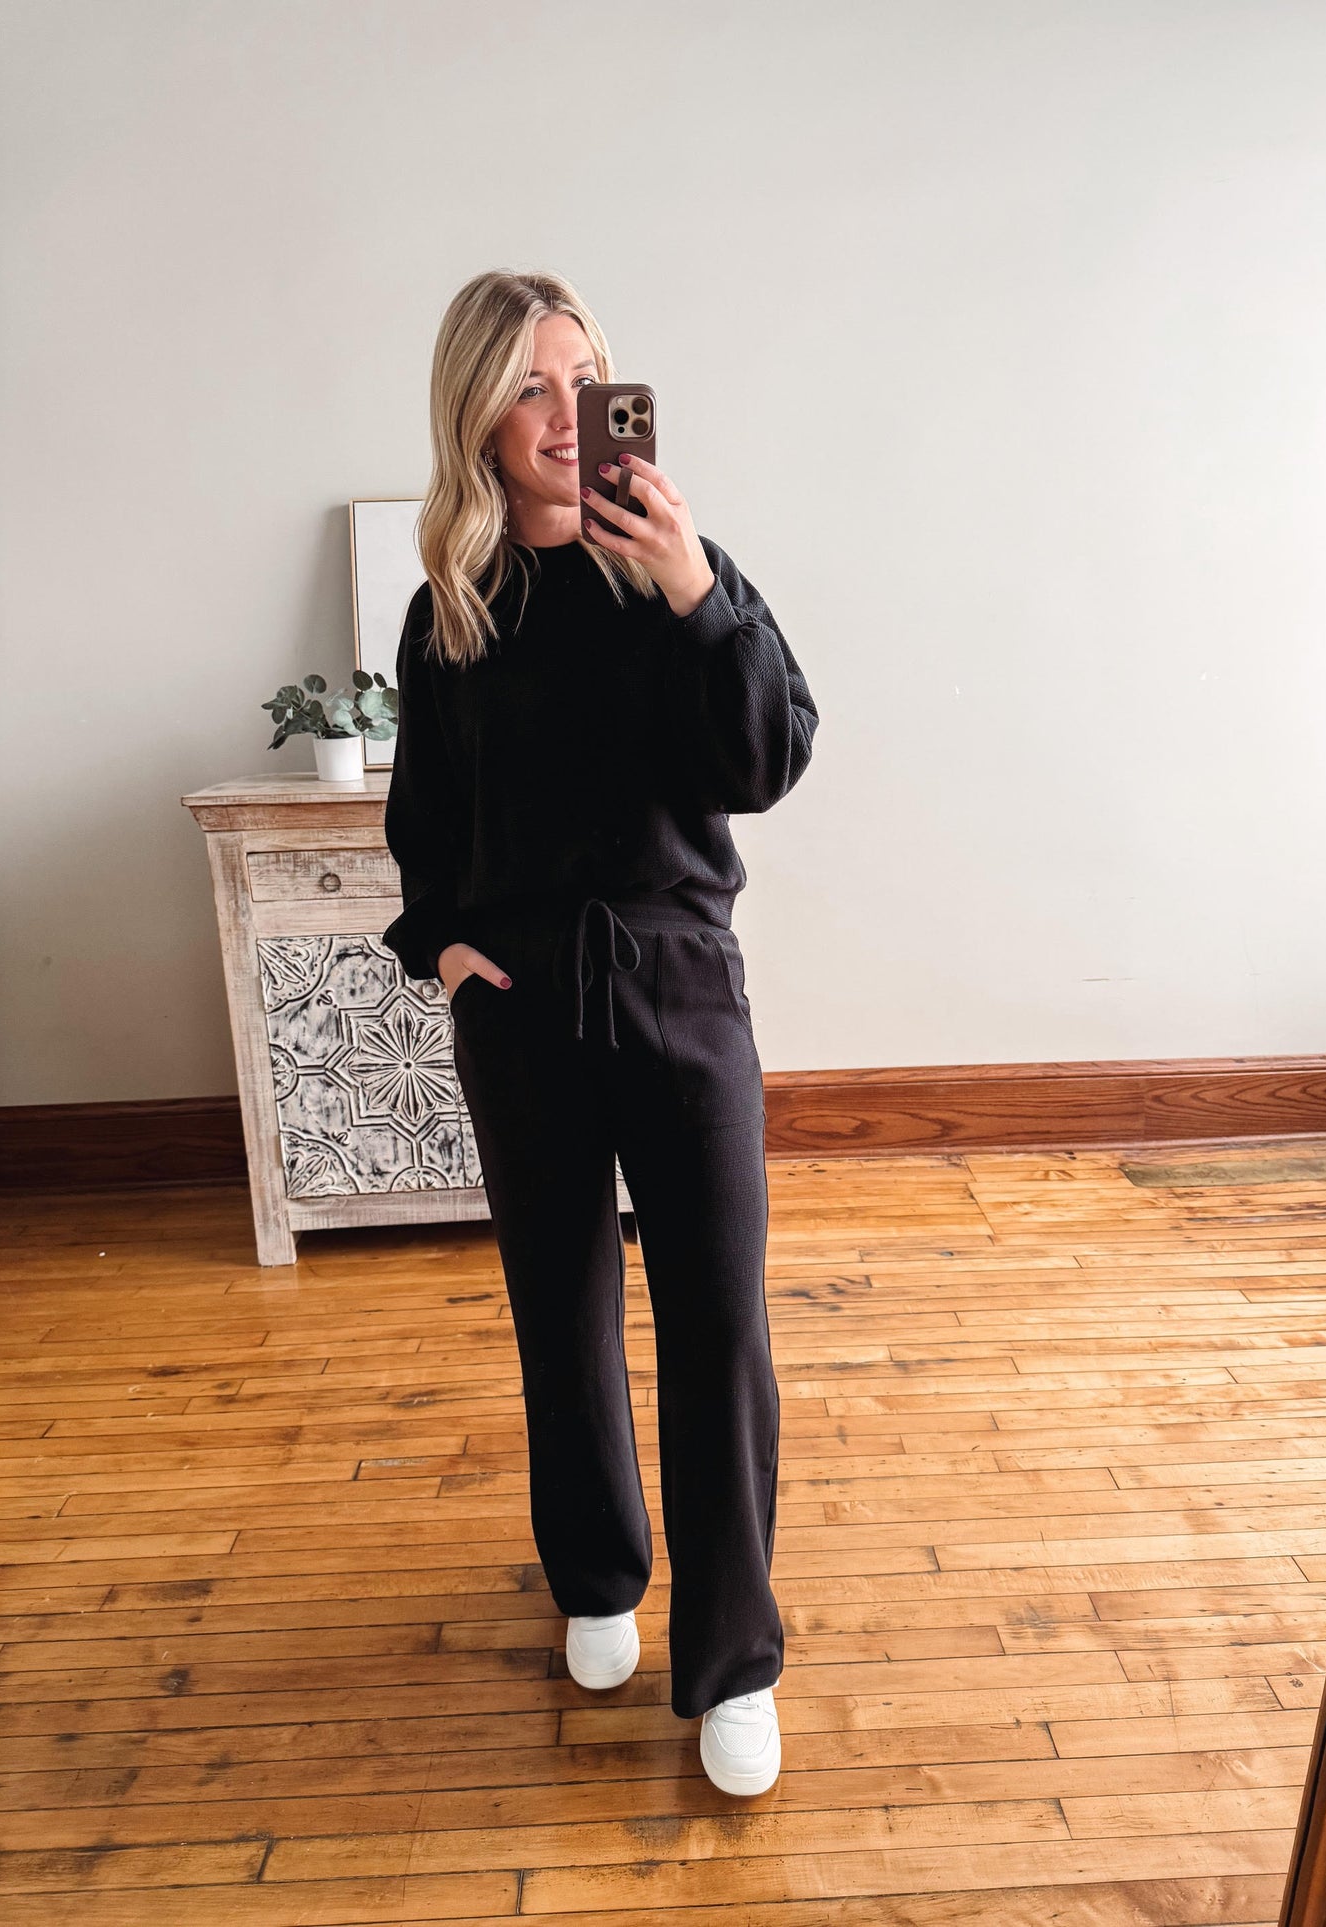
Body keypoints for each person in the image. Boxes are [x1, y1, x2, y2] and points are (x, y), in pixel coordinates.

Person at [381, 268, 819, 1797]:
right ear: (481, 423)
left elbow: (767, 761)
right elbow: (424, 820)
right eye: (527, 387)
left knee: (717, 1326)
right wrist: (438, 943)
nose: (564, 414)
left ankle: (732, 1661)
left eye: (585, 379)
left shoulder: (683, 574)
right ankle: (593, 1578)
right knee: (558, 1313)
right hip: (521, 1009)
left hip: (681, 989)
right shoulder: (453, 607)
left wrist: (699, 596)